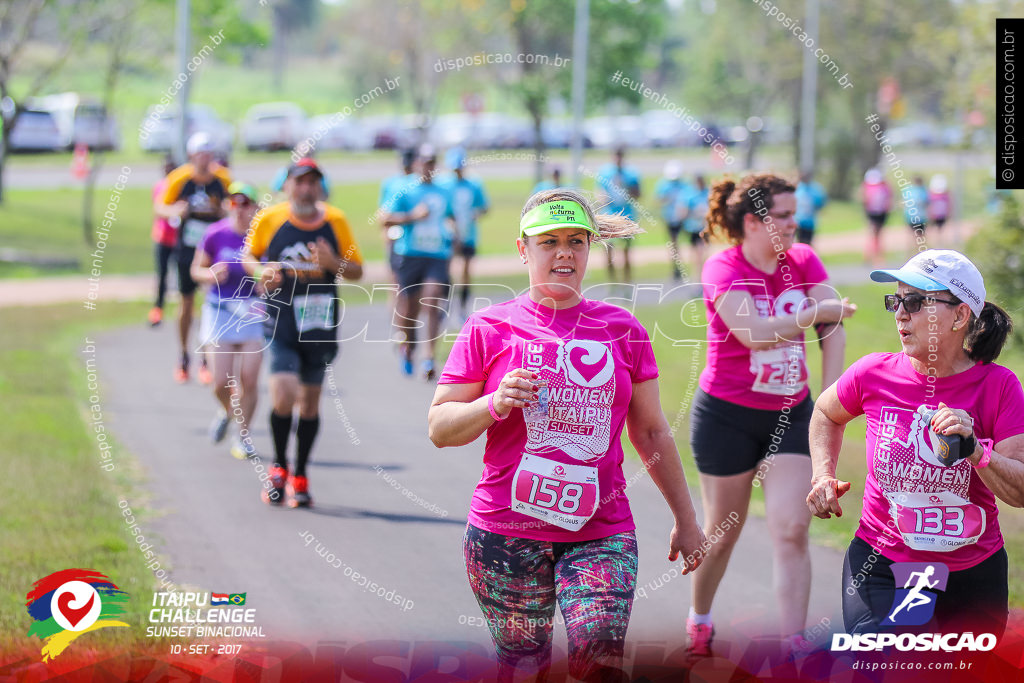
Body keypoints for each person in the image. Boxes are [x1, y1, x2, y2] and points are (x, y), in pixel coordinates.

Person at [428, 188, 707, 681]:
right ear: (523, 249)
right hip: (506, 532)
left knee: (600, 667)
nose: (564, 253)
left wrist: (687, 521)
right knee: (524, 666)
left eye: (576, 241)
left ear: (590, 247)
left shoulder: (623, 329)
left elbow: (651, 431)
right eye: (549, 241)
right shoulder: (489, 328)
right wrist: (493, 404)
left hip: (601, 532)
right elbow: (440, 429)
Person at [807, 249, 1024, 637]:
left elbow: (1019, 490)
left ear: (960, 316)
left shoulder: (999, 386)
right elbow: (825, 413)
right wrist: (822, 474)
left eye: (915, 301)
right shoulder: (874, 372)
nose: (900, 313)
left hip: (972, 574)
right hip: (886, 565)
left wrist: (976, 451)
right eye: (896, 300)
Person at [686, 173, 856, 658]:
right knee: (722, 532)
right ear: (753, 223)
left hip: (793, 412)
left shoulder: (803, 260)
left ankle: (792, 645)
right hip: (726, 417)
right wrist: (817, 312)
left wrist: (829, 401)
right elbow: (754, 333)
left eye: (793, 212)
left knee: (791, 527)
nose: (793, 222)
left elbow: (833, 326)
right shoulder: (724, 267)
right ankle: (699, 620)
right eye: (782, 215)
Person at [242, 158, 364, 507]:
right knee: (283, 394)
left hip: (320, 323)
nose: (306, 188)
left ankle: (301, 473)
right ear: (288, 185)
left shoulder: (335, 221)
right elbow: (248, 256)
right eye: (300, 182)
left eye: (313, 182)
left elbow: (356, 270)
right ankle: (278, 466)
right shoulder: (270, 218)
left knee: (309, 404)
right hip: (281, 320)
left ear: (319, 187)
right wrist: (261, 270)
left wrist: (332, 263)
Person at [191, 182, 265, 460]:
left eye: (246, 203)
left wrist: (265, 283)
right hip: (220, 310)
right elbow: (195, 270)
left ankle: (243, 436)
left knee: (249, 377)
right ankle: (227, 411)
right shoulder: (215, 233)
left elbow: (272, 271)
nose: (240, 209)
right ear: (227, 205)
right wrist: (210, 275)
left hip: (253, 311)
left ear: (256, 207)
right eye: (234, 202)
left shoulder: (261, 237)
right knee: (220, 382)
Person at [159, 132, 232, 384]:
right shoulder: (179, 179)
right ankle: (182, 355)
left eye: (209, 154)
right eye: (200, 154)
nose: (205, 159)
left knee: (210, 303)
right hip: (188, 249)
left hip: (213, 250)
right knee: (186, 303)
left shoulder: (222, 180)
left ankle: (205, 359)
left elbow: (237, 206)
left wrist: (225, 210)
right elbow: (160, 206)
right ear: (191, 156)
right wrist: (175, 210)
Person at [381, 145, 455, 380]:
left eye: (432, 162)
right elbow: (384, 219)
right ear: (416, 164)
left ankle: (429, 357)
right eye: (424, 162)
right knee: (409, 309)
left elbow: (451, 217)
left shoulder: (444, 191)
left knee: (433, 301)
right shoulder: (404, 189)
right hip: (410, 253)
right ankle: (408, 347)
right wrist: (413, 216)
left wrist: (454, 233)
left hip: (437, 254)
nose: (428, 167)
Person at [441, 147, 489, 320]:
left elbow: (484, 207)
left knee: (465, 272)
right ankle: (444, 305)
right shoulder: (444, 184)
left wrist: (472, 215)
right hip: (448, 235)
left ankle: (462, 307)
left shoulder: (474, 184)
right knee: (446, 270)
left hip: (469, 234)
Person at [596, 146, 642, 280]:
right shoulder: (605, 172)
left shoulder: (631, 174)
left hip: (627, 215)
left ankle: (627, 280)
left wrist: (626, 188)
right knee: (608, 249)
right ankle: (612, 281)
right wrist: (602, 199)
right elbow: (599, 191)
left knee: (626, 250)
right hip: (609, 215)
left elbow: (638, 194)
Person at [149, 156, 178, 327]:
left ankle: (185, 309)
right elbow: (159, 209)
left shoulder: (181, 186)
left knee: (184, 277)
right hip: (162, 237)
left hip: (179, 239)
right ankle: (158, 309)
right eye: (166, 168)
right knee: (162, 276)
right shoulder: (159, 187)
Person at [656, 160, 690, 281]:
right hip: (670, 218)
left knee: (689, 243)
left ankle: (686, 266)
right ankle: (676, 267)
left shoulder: (685, 185)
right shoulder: (664, 185)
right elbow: (659, 200)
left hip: (684, 219)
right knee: (673, 243)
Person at [679, 174, 710, 281]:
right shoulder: (691, 195)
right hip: (693, 228)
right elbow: (684, 211)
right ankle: (697, 277)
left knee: (703, 253)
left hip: (704, 228)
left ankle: (702, 276)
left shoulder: (707, 193)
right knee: (696, 255)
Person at [861, 168, 892, 268]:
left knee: (878, 235)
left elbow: (888, 200)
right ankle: (871, 256)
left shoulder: (885, 187)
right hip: (872, 213)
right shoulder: (868, 187)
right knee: (873, 234)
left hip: (881, 214)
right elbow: (864, 200)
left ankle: (876, 257)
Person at [794, 171, 827, 245]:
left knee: (807, 243)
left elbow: (822, 202)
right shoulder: (798, 187)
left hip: (809, 222)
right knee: (798, 242)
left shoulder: (815, 189)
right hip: (797, 221)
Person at [902, 175, 929, 254]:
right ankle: (920, 254)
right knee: (921, 238)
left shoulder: (908, 191)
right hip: (920, 217)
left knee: (912, 236)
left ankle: (910, 254)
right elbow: (926, 204)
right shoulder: (923, 191)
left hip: (910, 217)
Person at [927, 174, 951, 246]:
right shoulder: (936, 195)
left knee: (939, 230)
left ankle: (939, 244)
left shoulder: (944, 195)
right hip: (935, 215)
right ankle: (935, 244)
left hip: (940, 215)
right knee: (934, 230)